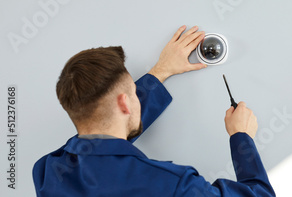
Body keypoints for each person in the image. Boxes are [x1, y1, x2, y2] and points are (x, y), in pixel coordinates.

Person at [32, 25, 275, 197]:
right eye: (133, 93)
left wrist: (161, 71)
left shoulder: (46, 173)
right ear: (125, 104)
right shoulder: (173, 185)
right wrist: (242, 138)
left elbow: (100, 139)